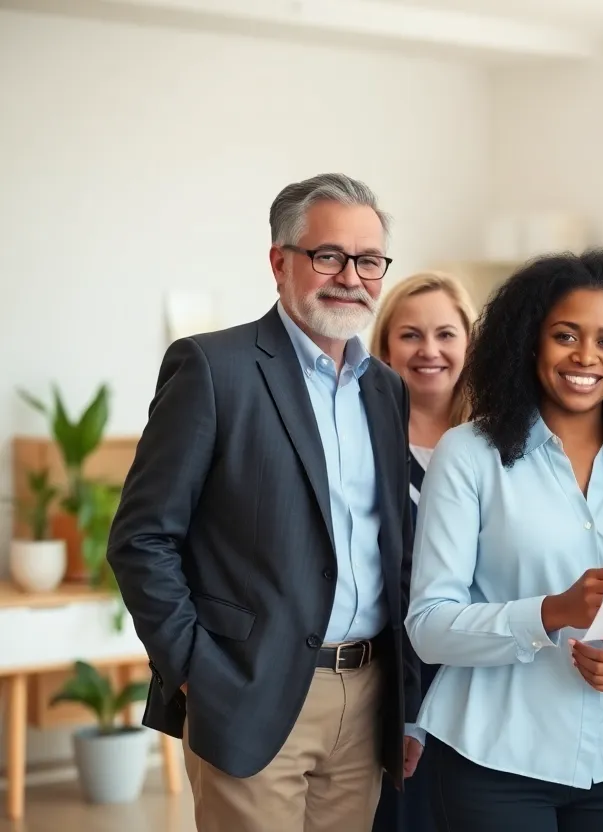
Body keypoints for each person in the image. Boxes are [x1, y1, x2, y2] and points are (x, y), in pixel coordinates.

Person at [107, 173, 424, 832]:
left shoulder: (384, 391)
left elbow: (392, 549)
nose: (351, 277)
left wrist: (405, 695)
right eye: (328, 256)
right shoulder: (213, 370)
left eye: (368, 260)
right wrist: (196, 672)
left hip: (366, 695)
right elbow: (142, 538)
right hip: (250, 690)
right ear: (280, 262)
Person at [405, 249, 603, 832]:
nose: (585, 357)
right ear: (530, 342)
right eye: (565, 335)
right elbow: (428, 626)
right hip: (493, 758)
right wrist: (553, 612)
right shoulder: (469, 456)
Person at [368, 271, 476, 832]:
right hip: (388, 675)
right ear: (385, 346)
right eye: (410, 335)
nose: (429, 350)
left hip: (479, 672)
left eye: (445, 334)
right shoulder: (359, 439)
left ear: (469, 343)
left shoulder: (499, 444)